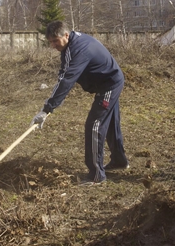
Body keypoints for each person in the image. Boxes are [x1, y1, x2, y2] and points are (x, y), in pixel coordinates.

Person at [30, 21, 128, 186]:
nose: (53, 45)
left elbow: (66, 80)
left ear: (66, 35)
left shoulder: (78, 49)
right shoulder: (71, 45)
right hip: (110, 80)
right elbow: (64, 73)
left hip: (109, 84)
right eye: (50, 42)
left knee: (94, 125)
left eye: (55, 41)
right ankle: (119, 161)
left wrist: (47, 109)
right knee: (110, 122)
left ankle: (96, 175)